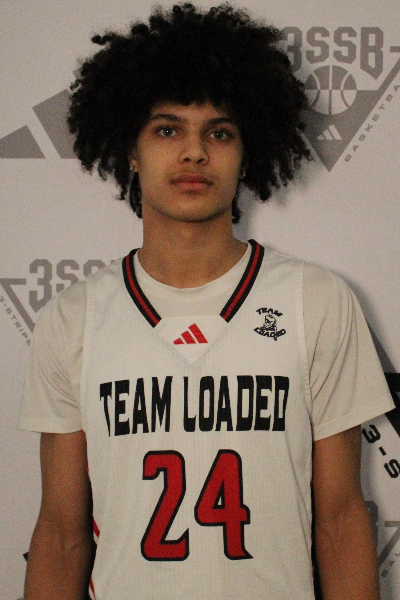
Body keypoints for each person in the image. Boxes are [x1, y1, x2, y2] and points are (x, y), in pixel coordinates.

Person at [19, 4, 394, 600]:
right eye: (167, 130)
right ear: (131, 149)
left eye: (219, 133)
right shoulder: (74, 318)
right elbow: (62, 534)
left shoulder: (315, 301)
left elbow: (342, 519)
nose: (194, 153)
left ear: (247, 150)